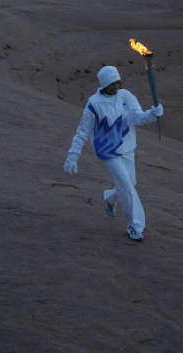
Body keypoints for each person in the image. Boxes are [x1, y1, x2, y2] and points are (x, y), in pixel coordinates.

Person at [63, 65, 164, 241]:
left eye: (117, 83)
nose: (116, 87)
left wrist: (152, 114)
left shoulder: (126, 96)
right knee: (127, 186)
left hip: (127, 148)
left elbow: (137, 118)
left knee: (130, 183)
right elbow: (83, 131)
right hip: (107, 151)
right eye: (112, 84)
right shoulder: (93, 104)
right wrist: (73, 156)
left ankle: (110, 198)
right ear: (104, 85)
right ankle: (135, 227)